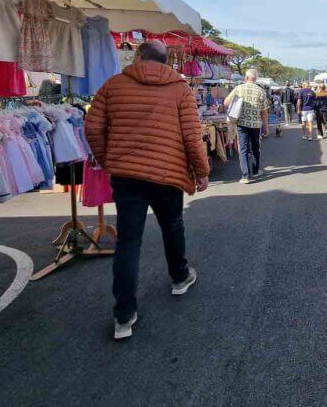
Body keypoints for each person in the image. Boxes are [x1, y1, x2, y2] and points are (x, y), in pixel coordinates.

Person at [85, 40, 210, 341]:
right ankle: (180, 277)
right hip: (168, 173)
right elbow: (192, 137)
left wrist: (107, 159)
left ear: (139, 56)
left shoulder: (113, 85)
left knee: (129, 241)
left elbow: (92, 127)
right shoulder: (180, 89)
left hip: (126, 175)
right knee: (172, 226)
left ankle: (123, 315)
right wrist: (202, 172)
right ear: (167, 61)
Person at [224, 69, 270, 183]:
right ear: (256, 79)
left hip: (242, 124)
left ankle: (245, 176)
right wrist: (266, 126)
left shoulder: (239, 88)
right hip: (256, 125)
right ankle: (256, 170)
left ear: (246, 78)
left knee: (243, 148)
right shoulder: (261, 91)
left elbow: (226, 102)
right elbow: (264, 112)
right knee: (256, 148)